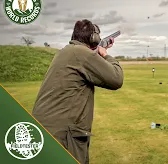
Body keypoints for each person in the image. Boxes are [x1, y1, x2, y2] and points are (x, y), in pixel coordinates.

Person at [32, 19, 124, 164]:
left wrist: (95, 52)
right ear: (94, 38)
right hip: (63, 136)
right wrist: (105, 54)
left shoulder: (65, 52)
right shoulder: (81, 53)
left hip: (45, 132)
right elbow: (116, 78)